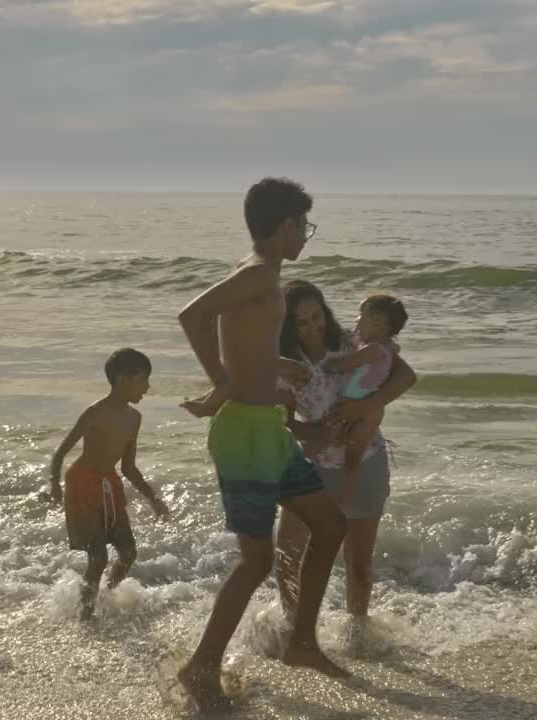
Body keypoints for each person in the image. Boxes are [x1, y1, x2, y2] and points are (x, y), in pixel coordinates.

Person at [176, 177, 348, 709]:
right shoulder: (255, 273)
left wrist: (279, 367)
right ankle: (200, 665)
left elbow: (242, 346)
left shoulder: (264, 278)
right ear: (287, 226)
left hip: (267, 429)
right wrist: (222, 383)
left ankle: (301, 642)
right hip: (244, 431)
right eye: (305, 227)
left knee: (330, 524)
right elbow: (193, 316)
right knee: (255, 560)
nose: (306, 237)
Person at [275, 281, 416, 647]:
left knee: (359, 566)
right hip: (313, 464)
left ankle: (358, 638)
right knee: (287, 556)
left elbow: (405, 377)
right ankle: (297, 633)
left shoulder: (352, 343)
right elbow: (283, 424)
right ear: (287, 325)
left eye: (316, 316)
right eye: (300, 321)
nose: (311, 326)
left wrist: (366, 406)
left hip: (364, 459)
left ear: (325, 312)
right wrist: (315, 432)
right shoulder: (285, 366)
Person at [48, 348, 170, 619]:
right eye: (143, 379)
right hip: (82, 484)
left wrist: (153, 498)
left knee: (128, 552)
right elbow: (61, 451)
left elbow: (128, 467)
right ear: (122, 379)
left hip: (109, 485)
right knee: (98, 558)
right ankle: (86, 613)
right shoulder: (95, 412)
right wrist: (54, 484)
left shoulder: (134, 418)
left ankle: (104, 596)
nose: (147, 387)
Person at [323, 294, 408, 506]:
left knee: (352, 461)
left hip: (362, 409)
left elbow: (347, 364)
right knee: (347, 451)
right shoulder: (386, 346)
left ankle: (342, 502)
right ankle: (341, 499)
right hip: (364, 409)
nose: (356, 321)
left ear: (378, 321)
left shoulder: (373, 350)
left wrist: (325, 363)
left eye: (361, 316)